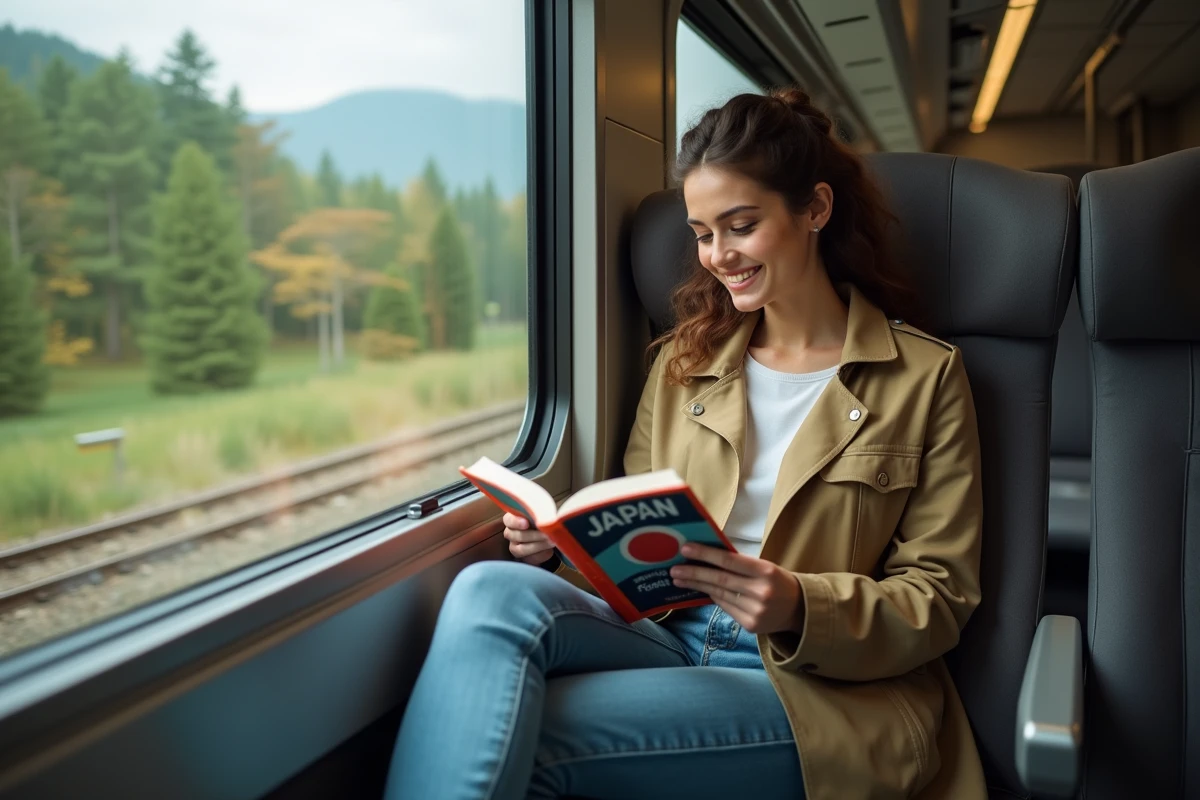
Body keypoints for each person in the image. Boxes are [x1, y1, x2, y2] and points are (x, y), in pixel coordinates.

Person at [384, 88, 986, 800]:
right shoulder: (683, 363)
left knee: (532, 733)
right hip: (672, 635)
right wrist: (563, 549)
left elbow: (941, 598)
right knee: (490, 590)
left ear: (816, 210)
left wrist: (800, 604)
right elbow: (639, 529)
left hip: (814, 687)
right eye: (703, 233)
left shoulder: (924, 376)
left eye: (740, 226)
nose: (719, 256)